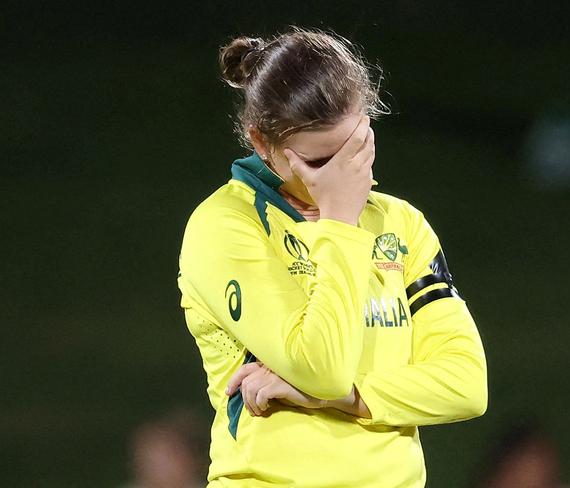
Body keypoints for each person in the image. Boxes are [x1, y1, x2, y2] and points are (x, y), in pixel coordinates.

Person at [177, 25, 488, 487]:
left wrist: (344, 397)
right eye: (321, 162)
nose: (347, 173)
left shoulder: (400, 224)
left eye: (356, 147)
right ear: (262, 143)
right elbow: (321, 367)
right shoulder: (225, 226)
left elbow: (466, 386)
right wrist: (340, 221)